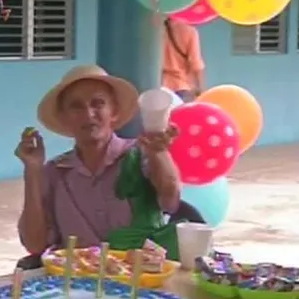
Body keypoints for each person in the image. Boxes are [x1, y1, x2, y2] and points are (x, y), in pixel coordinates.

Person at [17, 65, 182, 256]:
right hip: (76, 279)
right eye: (76, 106)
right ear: (64, 119)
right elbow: (34, 245)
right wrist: (32, 171)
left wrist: (159, 153)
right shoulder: (54, 172)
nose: (88, 114)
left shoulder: (140, 154)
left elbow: (171, 200)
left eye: (98, 103)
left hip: (138, 276)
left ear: (114, 112)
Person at [161, 18, 205, 102]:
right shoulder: (190, 31)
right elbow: (196, 65)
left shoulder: (156, 30)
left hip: (160, 87)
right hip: (181, 87)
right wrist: (201, 90)